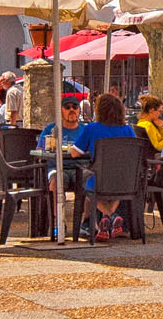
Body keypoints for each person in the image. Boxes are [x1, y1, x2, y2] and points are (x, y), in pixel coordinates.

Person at [56, 93, 138, 243]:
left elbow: (74, 153)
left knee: (84, 186)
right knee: (114, 192)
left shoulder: (92, 129)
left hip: (98, 179)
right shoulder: (127, 129)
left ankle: (106, 217)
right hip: (124, 180)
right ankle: (111, 217)